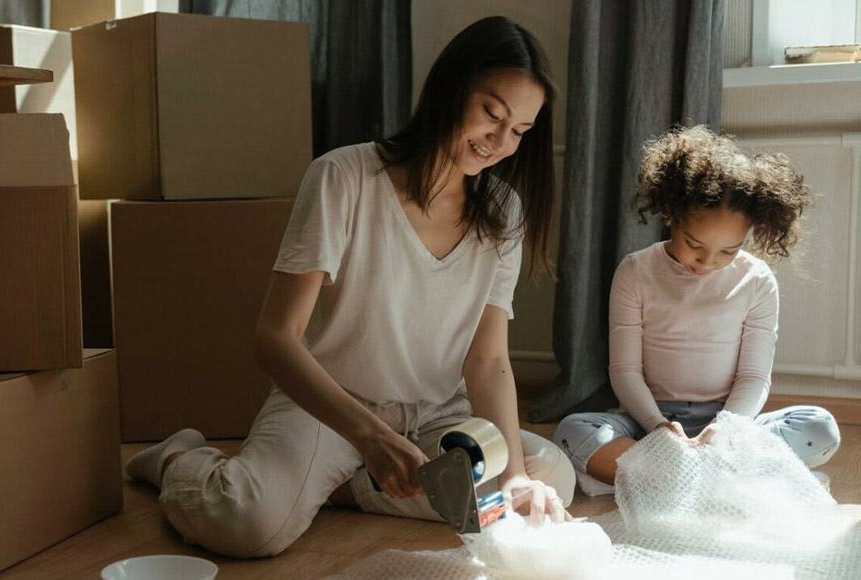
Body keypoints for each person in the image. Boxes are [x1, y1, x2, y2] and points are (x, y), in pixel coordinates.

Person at [124, 16, 576, 558]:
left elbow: (488, 362)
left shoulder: (504, 212)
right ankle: (180, 458)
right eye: (491, 114)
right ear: (450, 88)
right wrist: (369, 436)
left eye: (520, 132)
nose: (500, 143)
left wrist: (516, 479)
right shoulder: (343, 177)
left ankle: (346, 486)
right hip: (329, 410)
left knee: (547, 476)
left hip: (437, 418)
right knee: (247, 523)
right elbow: (274, 338)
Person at [555, 125, 841, 497]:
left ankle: (667, 480)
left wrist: (725, 428)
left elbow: (754, 377)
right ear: (672, 216)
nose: (707, 262)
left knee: (819, 428)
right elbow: (624, 370)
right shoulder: (635, 271)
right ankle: (723, 481)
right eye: (695, 244)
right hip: (649, 424)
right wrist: (658, 426)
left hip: (728, 425)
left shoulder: (757, 280)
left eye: (728, 251)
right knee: (573, 431)